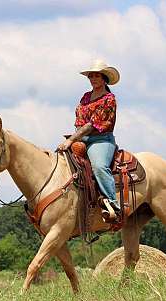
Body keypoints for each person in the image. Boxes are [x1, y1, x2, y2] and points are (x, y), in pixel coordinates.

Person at [57, 60, 121, 221]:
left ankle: (113, 204)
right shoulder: (86, 97)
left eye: (96, 76)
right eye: (91, 76)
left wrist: (71, 140)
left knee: (99, 166)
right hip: (81, 138)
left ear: (104, 78)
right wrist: (75, 137)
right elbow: (79, 121)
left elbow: (92, 125)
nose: (93, 79)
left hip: (101, 139)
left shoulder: (109, 99)